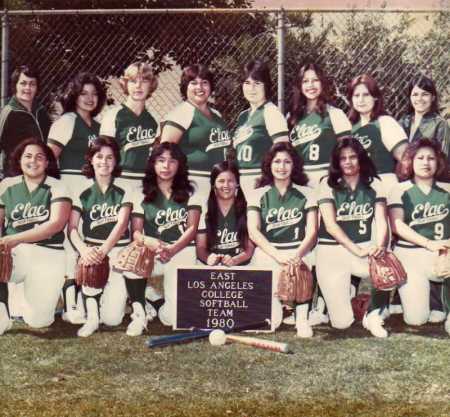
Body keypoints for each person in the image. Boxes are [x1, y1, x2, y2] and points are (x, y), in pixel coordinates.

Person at [316, 136, 390, 337]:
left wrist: (380, 246)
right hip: (332, 250)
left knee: (386, 265)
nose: (348, 162)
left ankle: (373, 314)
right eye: (343, 158)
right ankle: (346, 292)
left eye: (353, 157)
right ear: (336, 161)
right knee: (342, 323)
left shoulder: (374, 183)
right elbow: (331, 226)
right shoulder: (327, 183)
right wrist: (356, 250)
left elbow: (382, 219)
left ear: (361, 158)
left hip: (363, 245)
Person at [47, 72, 106, 322]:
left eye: (94, 94)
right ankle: (71, 303)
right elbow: (49, 156)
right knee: (71, 242)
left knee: (84, 239)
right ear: (74, 96)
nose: (90, 98)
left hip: (89, 187)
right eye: (84, 93)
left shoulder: (97, 125)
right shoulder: (68, 120)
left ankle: (85, 297)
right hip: (70, 184)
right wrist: (57, 191)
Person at [128, 142, 201, 334]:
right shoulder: (140, 192)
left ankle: (153, 299)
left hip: (181, 250)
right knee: (129, 257)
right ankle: (139, 310)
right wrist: (148, 241)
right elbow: (135, 232)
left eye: (172, 161)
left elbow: (192, 228)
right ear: (153, 163)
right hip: (154, 251)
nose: (166, 166)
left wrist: (172, 249)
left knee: (171, 319)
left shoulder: (191, 190)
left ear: (179, 165)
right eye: (161, 161)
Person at [0, 138, 71, 335]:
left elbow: (55, 225)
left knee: (38, 321)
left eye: (40, 157)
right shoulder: (7, 184)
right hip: (16, 253)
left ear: (48, 162)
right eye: (28, 156)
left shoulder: (58, 186)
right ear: (19, 160)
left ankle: (21, 294)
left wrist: (14, 238)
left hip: (48, 254)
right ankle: (2, 312)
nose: (33, 161)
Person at [247, 142, 318, 337]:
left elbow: (312, 231)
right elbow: (253, 231)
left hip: (298, 249)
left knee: (304, 265)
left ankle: (301, 318)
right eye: (277, 161)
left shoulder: (307, 193)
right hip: (269, 251)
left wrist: (297, 256)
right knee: (272, 322)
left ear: (294, 165)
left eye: (287, 162)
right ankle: (277, 306)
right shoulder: (257, 194)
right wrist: (277, 255)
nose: (282, 166)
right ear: (269, 165)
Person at [67, 137, 132, 337]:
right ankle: (92, 317)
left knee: (112, 319)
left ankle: (137, 297)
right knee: (89, 265)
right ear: (91, 159)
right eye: (99, 156)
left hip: (118, 250)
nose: (104, 161)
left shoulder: (125, 188)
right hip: (92, 249)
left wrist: (103, 251)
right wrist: (84, 251)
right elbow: (72, 227)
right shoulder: (81, 189)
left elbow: (121, 225)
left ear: (116, 161)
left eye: (110, 157)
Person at [388, 138, 450, 334]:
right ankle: (433, 300)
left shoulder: (448, 189)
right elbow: (397, 225)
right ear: (410, 162)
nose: (426, 162)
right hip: (410, 255)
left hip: (443, 252)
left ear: (438, 162)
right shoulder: (399, 189)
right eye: (420, 158)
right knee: (416, 320)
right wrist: (428, 243)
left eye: (431, 158)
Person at [160, 64, 231, 197]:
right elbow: (164, 153)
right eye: (193, 83)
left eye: (204, 83)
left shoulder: (217, 115)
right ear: (185, 87)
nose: (199, 87)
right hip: (191, 182)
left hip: (218, 183)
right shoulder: (181, 113)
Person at [288, 62, 351, 188]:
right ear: (300, 85)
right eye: (305, 81)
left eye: (315, 80)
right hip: (299, 180)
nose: (310, 85)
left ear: (322, 83)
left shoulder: (335, 114)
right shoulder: (292, 116)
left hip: (326, 178)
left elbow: (347, 151)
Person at [233, 59, 289, 198]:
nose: (251, 88)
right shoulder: (243, 116)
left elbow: (284, 153)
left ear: (266, 85)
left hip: (261, 181)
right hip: (241, 182)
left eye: (257, 83)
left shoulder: (271, 112)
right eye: (247, 83)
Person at [100, 62, 159, 189]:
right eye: (133, 81)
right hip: (119, 181)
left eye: (144, 81)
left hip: (145, 183)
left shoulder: (154, 120)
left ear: (151, 85)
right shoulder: (113, 115)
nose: (138, 86)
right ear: (126, 84)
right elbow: (102, 155)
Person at [348, 73, 408, 192]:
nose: (361, 100)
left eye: (366, 95)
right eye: (356, 95)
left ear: (375, 97)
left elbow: (407, 160)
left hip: (384, 183)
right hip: (359, 187)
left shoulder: (385, 122)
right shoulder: (350, 128)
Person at [196, 160, 254, 266]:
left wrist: (235, 260)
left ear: (237, 183)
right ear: (213, 184)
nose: (226, 185)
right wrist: (208, 258)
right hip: (211, 268)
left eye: (231, 181)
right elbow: (200, 248)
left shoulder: (247, 207)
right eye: (221, 181)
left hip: (242, 267)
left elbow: (249, 247)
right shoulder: (204, 209)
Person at [0, 65, 52, 177]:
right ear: (15, 86)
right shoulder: (8, 112)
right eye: (23, 83)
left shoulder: (41, 111)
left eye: (32, 84)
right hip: (16, 176)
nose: (28, 88)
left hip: (40, 174)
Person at [399, 75, 450, 167]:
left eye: (425, 94)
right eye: (415, 94)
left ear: (433, 97)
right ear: (410, 98)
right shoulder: (403, 121)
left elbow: (444, 160)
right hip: (402, 175)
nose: (419, 99)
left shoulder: (440, 124)